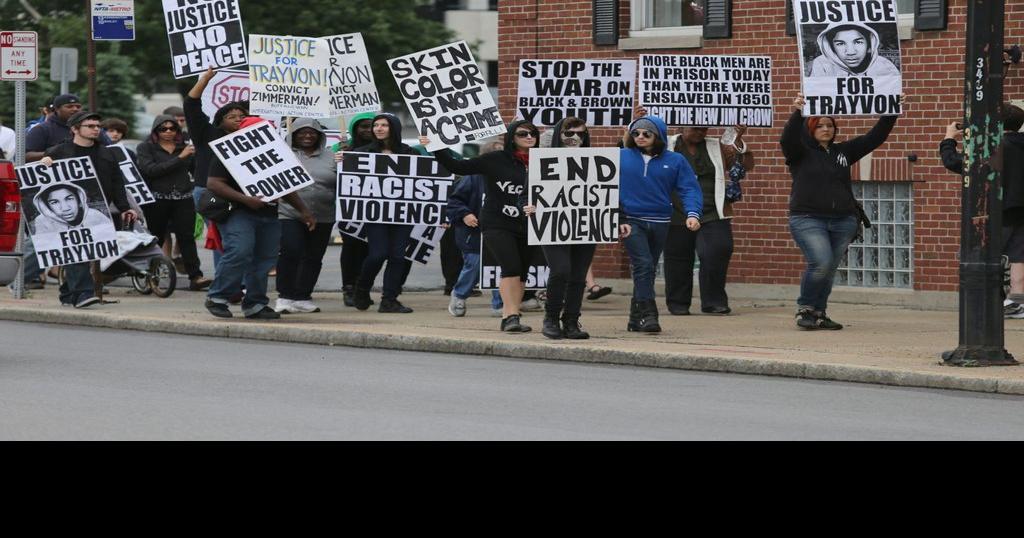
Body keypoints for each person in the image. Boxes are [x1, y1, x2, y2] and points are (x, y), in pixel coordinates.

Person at [782, 93, 901, 330]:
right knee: (821, 262)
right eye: (820, 125)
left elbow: (874, 138)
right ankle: (805, 308)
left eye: (830, 125)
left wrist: (891, 110)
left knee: (829, 269)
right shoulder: (800, 153)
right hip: (808, 218)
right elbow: (787, 139)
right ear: (810, 128)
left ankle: (819, 313)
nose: (826, 129)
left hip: (843, 220)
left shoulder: (843, 152)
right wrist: (797, 112)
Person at [423, 120, 540, 333]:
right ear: (511, 137)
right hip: (497, 222)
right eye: (523, 133)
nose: (529, 137)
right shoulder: (495, 159)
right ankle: (509, 315)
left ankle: (514, 314)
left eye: (533, 133)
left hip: (528, 224)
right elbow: (457, 166)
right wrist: (436, 146)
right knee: (511, 267)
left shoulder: (543, 161)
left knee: (523, 272)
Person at [526, 116, 630, 339]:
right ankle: (551, 318)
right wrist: (527, 207)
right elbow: (526, 194)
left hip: (586, 223)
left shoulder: (594, 161)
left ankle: (571, 321)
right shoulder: (544, 160)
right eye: (569, 133)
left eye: (581, 134)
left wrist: (620, 218)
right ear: (558, 135)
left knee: (578, 275)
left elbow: (608, 193)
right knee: (561, 269)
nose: (575, 138)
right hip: (552, 223)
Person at [204, 116, 315, 319]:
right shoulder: (228, 152)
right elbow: (214, 183)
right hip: (238, 212)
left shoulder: (277, 152)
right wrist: (246, 199)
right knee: (239, 251)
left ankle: (255, 304)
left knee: (264, 260)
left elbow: (285, 186)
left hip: (268, 214)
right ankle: (218, 297)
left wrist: (304, 211)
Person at [39, 110, 139, 308]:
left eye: (97, 126)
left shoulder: (107, 153)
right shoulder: (59, 152)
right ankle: (84, 293)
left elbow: (117, 182)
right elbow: (41, 181)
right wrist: (44, 164)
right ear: (75, 129)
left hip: (97, 211)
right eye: (90, 126)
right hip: (68, 212)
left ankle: (68, 293)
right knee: (78, 250)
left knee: (89, 252)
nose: (96, 130)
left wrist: (125, 207)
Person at [940, 104, 1024, 319]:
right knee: (1018, 258)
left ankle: (987, 304)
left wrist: (949, 139)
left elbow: (954, 162)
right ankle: (1017, 301)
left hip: (998, 210)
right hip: (1021, 211)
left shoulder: (994, 147)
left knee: (982, 256)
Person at [620, 113, 701, 333]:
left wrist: (692, 213)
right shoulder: (621, 156)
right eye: (636, 133)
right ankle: (649, 314)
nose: (640, 136)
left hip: (660, 221)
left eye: (647, 133)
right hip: (631, 221)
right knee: (644, 265)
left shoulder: (675, 160)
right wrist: (618, 217)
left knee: (646, 268)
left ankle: (634, 318)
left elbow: (689, 188)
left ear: (659, 136)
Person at [664, 125, 756, 316]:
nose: (700, 133)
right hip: (677, 210)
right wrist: (635, 124)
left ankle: (714, 301)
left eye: (704, 129)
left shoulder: (717, 146)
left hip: (712, 210)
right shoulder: (667, 144)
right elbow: (636, 146)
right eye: (695, 129)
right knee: (678, 257)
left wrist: (737, 141)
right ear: (682, 126)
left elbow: (745, 164)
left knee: (718, 249)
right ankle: (678, 303)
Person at [342, 113, 420, 313]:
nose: (378, 128)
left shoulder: (409, 153)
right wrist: (342, 162)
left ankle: (389, 299)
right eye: (376, 125)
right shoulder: (361, 152)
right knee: (378, 254)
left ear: (393, 128)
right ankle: (362, 288)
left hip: (403, 213)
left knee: (398, 256)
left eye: (384, 125)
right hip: (375, 213)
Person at [135, 114, 210, 291]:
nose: (168, 132)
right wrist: (180, 158)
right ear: (156, 131)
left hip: (183, 198)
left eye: (172, 128)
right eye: (163, 129)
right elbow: (151, 170)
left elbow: (196, 170)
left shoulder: (185, 148)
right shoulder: (146, 148)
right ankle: (148, 274)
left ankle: (196, 276)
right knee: (156, 237)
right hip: (157, 199)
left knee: (187, 238)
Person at [184, 68, 249, 270]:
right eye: (232, 116)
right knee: (223, 235)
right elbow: (191, 105)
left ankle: (233, 281)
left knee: (237, 237)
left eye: (242, 115)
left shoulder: (252, 138)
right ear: (220, 120)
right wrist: (205, 79)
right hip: (209, 194)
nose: (238, 118)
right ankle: (226, 282)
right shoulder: (207, 133)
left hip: (239, 195)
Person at [274, 118, 337, 314]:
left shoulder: (332, 156)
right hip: (289, 213)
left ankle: (302, 296)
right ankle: (285, 296)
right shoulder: (282, 153)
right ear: (293, 134)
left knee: (313, 256)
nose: (307, 136)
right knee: (291, 251)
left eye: (312, 132)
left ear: (320, 135)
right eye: (301, 132)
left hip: (323, 215)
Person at [445, 140, 504, 318]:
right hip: (473, 233)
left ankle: (499, 303)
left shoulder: (511, 176)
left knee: (499, 267)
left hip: (500, 231)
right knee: (474, 265)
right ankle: (460, 295)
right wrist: (465, 214)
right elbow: (454, 201)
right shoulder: (473, 177)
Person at [335, 111, 376, 307]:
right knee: (352, 247)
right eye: (363, 126)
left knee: (371, 251)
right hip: (349, 208)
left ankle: (363, 288)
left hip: (377, 209)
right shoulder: (340, 148)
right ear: (354, 129)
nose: (368, 130)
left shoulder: (384, 149)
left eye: (371, 126)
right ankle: (349, 287)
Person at [26, 94, 112, 162]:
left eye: (78, 106)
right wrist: (54, 153)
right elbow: (27, 156)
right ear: (56, 109)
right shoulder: (42, 129)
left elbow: (111, 151)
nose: (75, 109)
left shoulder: (94, 129)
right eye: (69, 106)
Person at [808, 22, 900, 77]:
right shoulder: (822, 65)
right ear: (831, 47)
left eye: (858, 42)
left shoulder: (884, 66)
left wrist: (897, 98)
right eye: (840, 43)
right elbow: (817, 102)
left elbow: (890, 100)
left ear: (869, 44)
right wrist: (802, 106)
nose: (850, 52)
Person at [31, 183, 109, 233]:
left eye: (69, 199)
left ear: (79, 200)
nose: (65, 208)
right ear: (47, 206)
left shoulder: (95, 215)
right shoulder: (42, 221)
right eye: (54, 202)